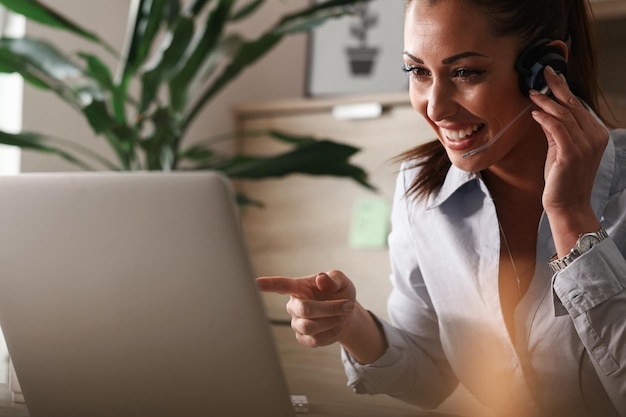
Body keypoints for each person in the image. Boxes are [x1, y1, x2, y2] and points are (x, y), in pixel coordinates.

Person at [257, 0, 626, 415]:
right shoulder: (421, 188)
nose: (434, 107)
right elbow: (429, 380)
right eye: (418, 71)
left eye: (465, 72)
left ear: (545, 69)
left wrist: (572, 216)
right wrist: (350, 323)